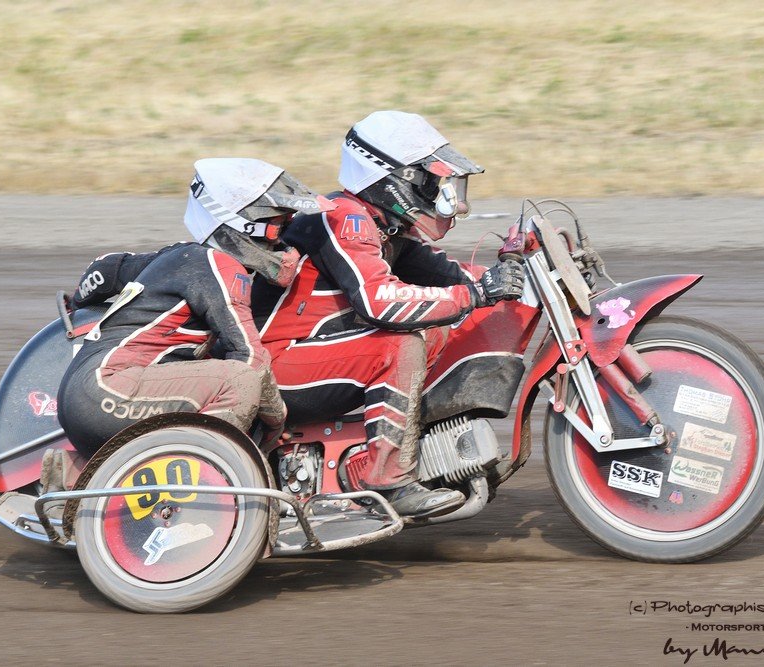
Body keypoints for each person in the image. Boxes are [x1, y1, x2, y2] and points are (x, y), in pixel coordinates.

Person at [251, 110, 524, 518]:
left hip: (306, 356)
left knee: (443, 320)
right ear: (397, 179)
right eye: (433, 181)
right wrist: (477, 292)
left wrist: (521, 276)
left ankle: (421, 445)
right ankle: (384, 478)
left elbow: (453, 277)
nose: (442, 193)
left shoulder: (386, 228)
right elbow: (379, 300)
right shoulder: (343, 217)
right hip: (276, 364)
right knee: (402, 342)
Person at [54, 158, 332, 477]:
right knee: (239, 380)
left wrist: (79, 302)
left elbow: (104, 270)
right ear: (242, 226)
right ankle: (205, 491)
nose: (284, 241)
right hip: (108, 392)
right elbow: (252, 361)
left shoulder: (177, 256)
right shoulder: (221, 266)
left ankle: (71, 475)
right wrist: (276, 426)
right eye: (279, 226)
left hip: (89, 396)